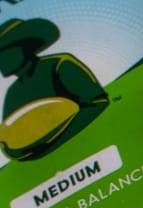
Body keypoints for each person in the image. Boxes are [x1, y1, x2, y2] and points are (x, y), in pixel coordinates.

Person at [0, 17, 109, 162]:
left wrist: (51, 139)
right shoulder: (12, 94)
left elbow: (98, 102)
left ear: (22, 47)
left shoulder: (59, 65)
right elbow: (13, 138)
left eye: (3, 53)